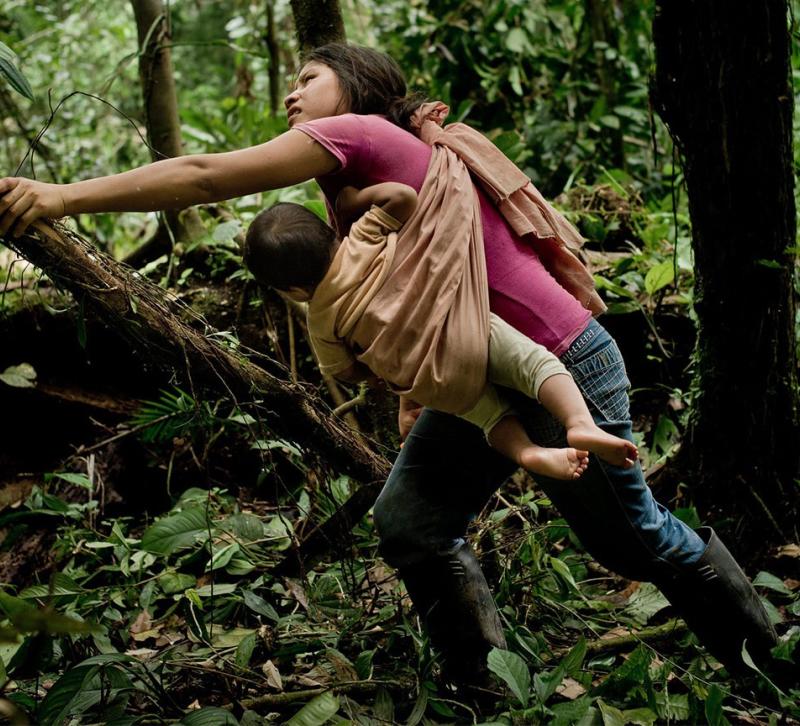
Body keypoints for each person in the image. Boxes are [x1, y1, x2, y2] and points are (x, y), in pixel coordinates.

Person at [0, 43, 777, 684]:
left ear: (357, 88)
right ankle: (487, 686)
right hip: (480, 372)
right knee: (410, 522)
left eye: (307, 79)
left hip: (561, 357)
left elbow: (205, 176)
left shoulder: (363, 135)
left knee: (628, 541)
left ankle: (766, 660)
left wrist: (63, 197)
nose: (291, 96)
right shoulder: (346, 186)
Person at [243, 182, 638, 480]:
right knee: (535, 365)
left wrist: (376, 368)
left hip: (429, 381)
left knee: (490, 418)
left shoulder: (319, 320)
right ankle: (579, 423)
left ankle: (526, 454)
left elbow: (342, 370)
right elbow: (402, 197)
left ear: (293, 291)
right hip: (462, 329)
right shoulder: (360, 239)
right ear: (332, 235)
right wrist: (352, 203)